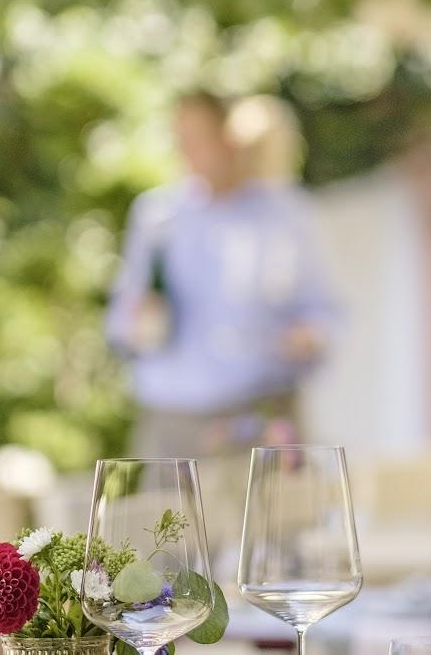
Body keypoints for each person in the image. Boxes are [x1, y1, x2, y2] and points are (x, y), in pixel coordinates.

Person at [106, 90, 339, 459]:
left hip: (259, 415)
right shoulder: (158, 216)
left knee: (272, 516)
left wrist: (309, 337)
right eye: (181, 138)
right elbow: (121, 322)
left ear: (230, 137)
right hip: (173, 421)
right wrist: (138, 323)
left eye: (199, 136)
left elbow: (323, 310)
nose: (188, 149)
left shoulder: (286, 214)